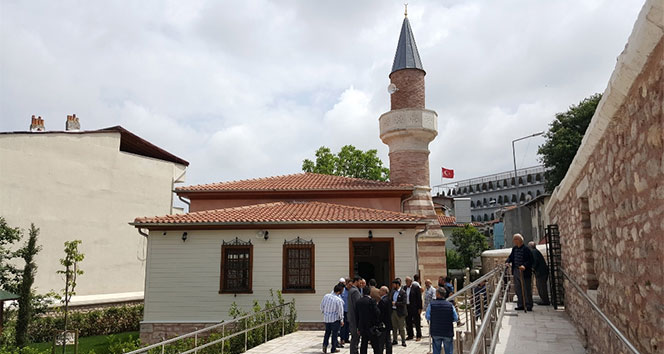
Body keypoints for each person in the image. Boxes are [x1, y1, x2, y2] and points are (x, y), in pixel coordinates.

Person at [426, 287, 459, 354]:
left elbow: (427, 317)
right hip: (447, 331)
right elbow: (455, 318)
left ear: (438, 294)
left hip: (436, 331)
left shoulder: (431, 305)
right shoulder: (450, 305)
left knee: (436, 350)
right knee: (449, 351)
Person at [506, 233, 534, 311]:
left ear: (520, 240)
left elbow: (530, 260)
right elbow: (511, 257)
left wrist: (524, 266)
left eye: (515, 239)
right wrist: (507, 261)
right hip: (516, 270)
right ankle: (521, 304)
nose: (514, 241)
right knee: (518, 289)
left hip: (524, 272)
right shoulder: (514, 249)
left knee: (526, 289)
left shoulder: (526, 249)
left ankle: (528, 305)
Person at [321, 284, 345, 353]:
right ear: (339, 291)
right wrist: (341, 320)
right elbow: (340, 311)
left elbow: (322, 306)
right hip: (335, 319)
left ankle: (325, 345)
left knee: (327, 332)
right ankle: (333, 348)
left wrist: (325, 312)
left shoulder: (326, 296)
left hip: (327, 318)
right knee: (335, 334)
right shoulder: (338, 300)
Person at [528, 241, 550, 305]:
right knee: (540, 286)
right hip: (541, 272)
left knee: (541, 286)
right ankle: (544, 300)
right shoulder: (535, 251)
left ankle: (545, 301)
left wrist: (532, 268)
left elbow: (535, 261)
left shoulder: (534, 252)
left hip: (541, 272)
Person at [403, 276, 423, 341]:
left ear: (411, 281)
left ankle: (418, 335)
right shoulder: (404, 288)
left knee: (417, 322)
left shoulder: (415, 288)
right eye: (405, 281)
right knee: (408, 321)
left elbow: (419, 298)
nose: (406, 282)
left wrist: (420, 308)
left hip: (414, 307)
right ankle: (410, 335)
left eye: (407, 281)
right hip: (407, 306)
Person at [389, 279, 407, 347]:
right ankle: (395, 340)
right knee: (394, 327)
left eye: (394, 284)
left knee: (401, 327)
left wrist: (396, 303)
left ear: (397, 284)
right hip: (393, 311)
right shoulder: (393, 292)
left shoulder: (403, 292)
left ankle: (403, 340)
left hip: (400, 312)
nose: (393, 286)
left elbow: (404, 303)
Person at [347, 277, 362, 354]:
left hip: (351, 317)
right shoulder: (355, 291)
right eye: (360, 282)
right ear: (356, 281)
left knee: (354, 337)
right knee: (355, 337)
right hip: (355, 318)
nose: (361, 284)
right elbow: (357, 306)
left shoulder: (351, 290)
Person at [377, 286, 393, 354]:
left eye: (380, 290)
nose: (379, 292)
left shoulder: (382, 301)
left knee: (381, 341)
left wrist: (378, 322)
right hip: (388, 322)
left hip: (383, 323)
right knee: (388, 340)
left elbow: (381, 313)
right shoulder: (389, 299)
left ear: (384, 292)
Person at [340, 278, 351, 345]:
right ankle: (342, 339)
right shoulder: (343, 291)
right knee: (343, 326)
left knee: (348, 325)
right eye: (349, 284)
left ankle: (347, 338)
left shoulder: (351, 291)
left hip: (349, 311)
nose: (350, 286)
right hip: (343, 311)